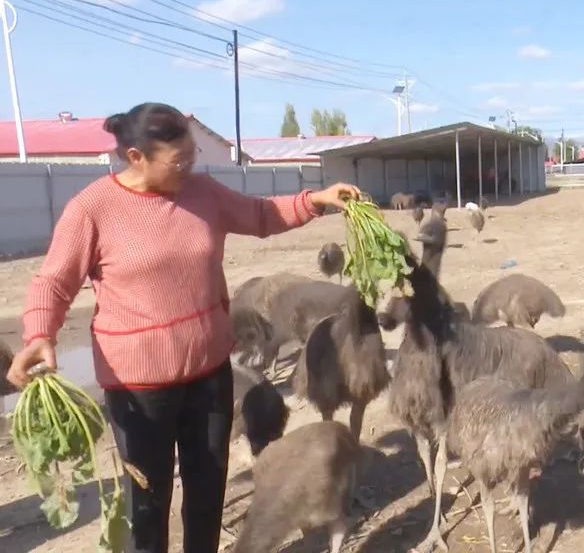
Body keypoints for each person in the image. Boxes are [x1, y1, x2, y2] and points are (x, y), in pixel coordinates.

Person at [5, 102, 362, 553]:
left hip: (210, 373)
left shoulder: (203, 192)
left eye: (192, 155)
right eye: (179, 160)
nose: (189, 166)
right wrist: (41, 335)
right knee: (149, 501)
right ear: (136, 157)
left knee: (207, 491)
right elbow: (55, 281)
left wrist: (315, 201)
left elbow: (259, 215)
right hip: (138, 387)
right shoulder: (93, 208)